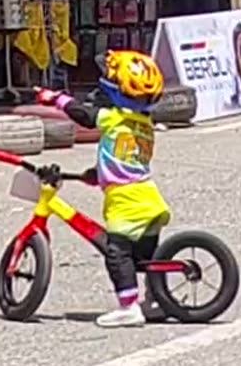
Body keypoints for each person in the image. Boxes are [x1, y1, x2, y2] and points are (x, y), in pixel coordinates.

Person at [35, 50, 171, 328]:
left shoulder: (113, 118)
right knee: (143, 258)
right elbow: (125, 160)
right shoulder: (145, 125)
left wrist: (57, 98)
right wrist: (96, 176)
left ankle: (128, 307)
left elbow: (84, 115)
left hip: (126, 200)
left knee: (116, 253)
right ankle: (157, 298)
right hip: (149, 197)